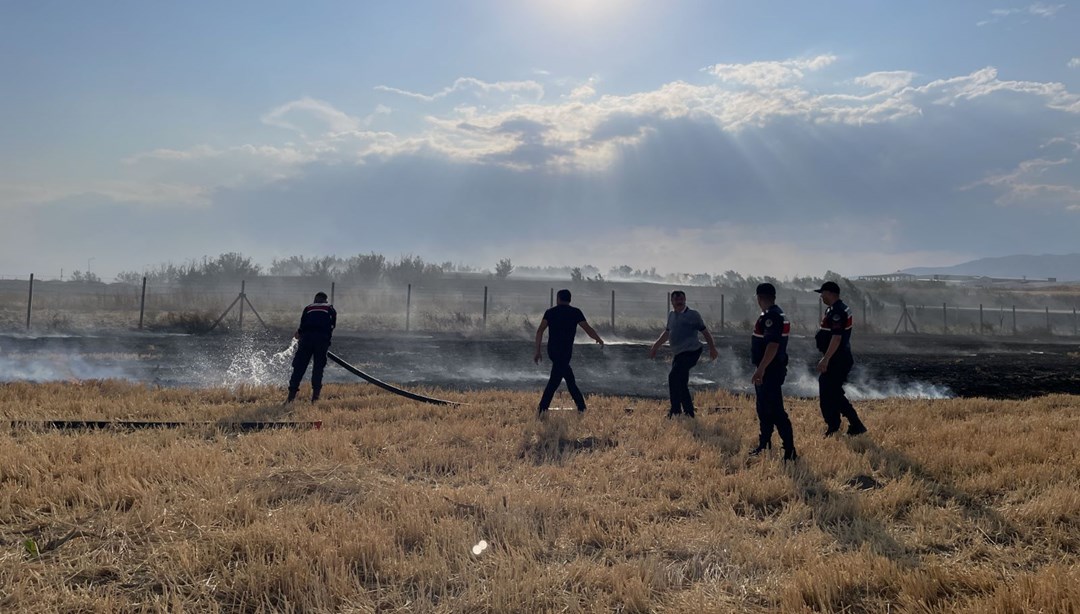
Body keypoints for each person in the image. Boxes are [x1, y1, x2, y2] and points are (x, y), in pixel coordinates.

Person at [534, 289, 604, 417]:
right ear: (569, 299)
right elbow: (587, 328)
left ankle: (578, 408)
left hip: (553, 350)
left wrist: (538, 351)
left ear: (558, 298)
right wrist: (598, 338)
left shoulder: (550, 312)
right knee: (557, 381)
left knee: (567, 379)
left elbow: (540, 331)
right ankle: (544, 409)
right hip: (566, 351)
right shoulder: (576, 312)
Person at [650, 290, 719, 418]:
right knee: (681, 382)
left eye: (681, 299)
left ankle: (675, 411)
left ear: (685, 300)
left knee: (673, 377)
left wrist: (712, 348)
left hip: (692, 352)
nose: (679, 302)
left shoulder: (693, 315)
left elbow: (705, 332)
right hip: (679, 353)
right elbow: (667, 333)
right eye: (676, 299)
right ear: (672, 301)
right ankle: (689, 413)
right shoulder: (671, 315)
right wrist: (655, 346)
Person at [749, 283, 797, 460]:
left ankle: (790, 450)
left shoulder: (772, 316)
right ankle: (764, 444)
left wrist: (761, 369)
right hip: (768, 368)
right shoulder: (774, 314)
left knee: (775, 410)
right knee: (763, 409)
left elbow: (773, 345)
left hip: (771, 370)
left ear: (759, 298)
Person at [814, 281, 867, 436]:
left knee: (831, 392)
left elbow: (836, 338)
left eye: (823, 293)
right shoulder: (834, 309)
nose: (821, 296)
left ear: (831, 293)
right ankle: (840, 425)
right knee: (832, 392)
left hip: (837, 359)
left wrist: (826, 359)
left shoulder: (837, 311)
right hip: (837, 357)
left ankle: (848, 425)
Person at [286, 291, 337, 403]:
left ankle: (291, 397)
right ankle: (315, 398)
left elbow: (302, 326)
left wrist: (300, 333)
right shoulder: (330, 308)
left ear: (315, 300)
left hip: (306, 340)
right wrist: (325, 339)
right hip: (321, 341)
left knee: (299, 367)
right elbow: (332, 325)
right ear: (326, 300)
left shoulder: (308, 308)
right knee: (318, 368)